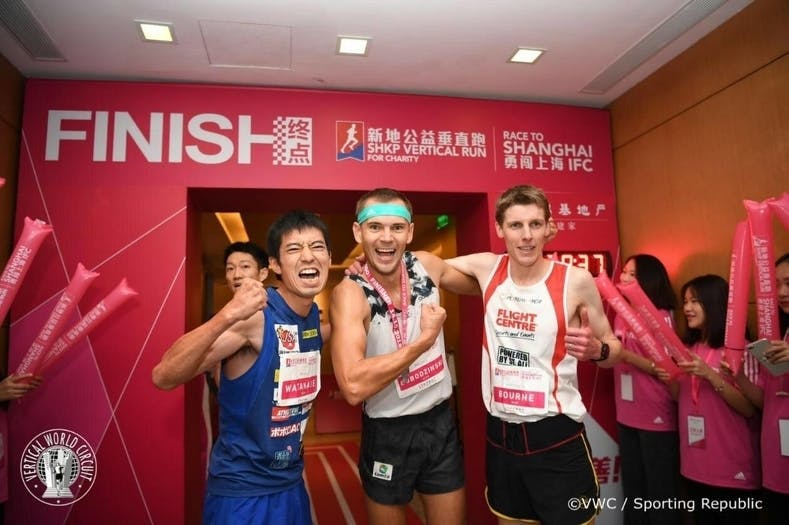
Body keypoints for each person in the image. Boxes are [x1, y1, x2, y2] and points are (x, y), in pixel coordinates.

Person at [443, 184, 623, 525]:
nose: (526, 236)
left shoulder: (576, 280)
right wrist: (377, 263)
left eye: (535, 224)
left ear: (548, 228)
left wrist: (597, 350)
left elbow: (615, 350)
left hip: (556, 437)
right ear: (500, 229)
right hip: (501, 437)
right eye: (516, 225)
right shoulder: (488, 269)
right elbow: (429, 267)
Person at [152, 210, 332, 525]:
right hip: (242, 494)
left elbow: (342, 328)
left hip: (291, 485)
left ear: (329, 258)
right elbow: (163, 375)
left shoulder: (313, 320)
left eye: (317, 247)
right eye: (294, 249)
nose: (308, 256)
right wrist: (228, 314)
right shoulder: (255, 319)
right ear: (275, 265)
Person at [329, 187, 479, 525]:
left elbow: (484, 283)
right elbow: (352, 385)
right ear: (358, 232)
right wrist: (423, 342)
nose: (386, 238)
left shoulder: (426, 265)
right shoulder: (350, 293)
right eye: (375, 227)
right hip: (388, 430)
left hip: (439, 421)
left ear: (409, 232)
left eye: (396, 227)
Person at [671, 274, 760, 525]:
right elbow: (681, 399)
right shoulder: (687, 349)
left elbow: (750, 409)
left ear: (714, 303)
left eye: (694, 301)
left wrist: (710, 375)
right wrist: (669, 377)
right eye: (685, 301)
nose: (687, 308)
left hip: (732, 470)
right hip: (694, 466)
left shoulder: (741, 349)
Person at [613, 254, 681, 525]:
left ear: (648, 281)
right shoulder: (621, 314)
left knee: (660, 491)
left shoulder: (660, 317)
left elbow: (666, 367)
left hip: (655, 414)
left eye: (632, 274)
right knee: (634, 490)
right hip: (626, 412)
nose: (623, 278)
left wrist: (626, 356)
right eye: (624, 272)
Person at [721, 252, 789, 524]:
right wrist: (738, 377)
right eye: (776, 285)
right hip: (775, 464)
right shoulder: (779, 337)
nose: (781, 293)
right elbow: (765, 402)